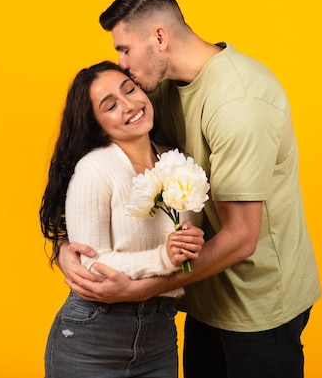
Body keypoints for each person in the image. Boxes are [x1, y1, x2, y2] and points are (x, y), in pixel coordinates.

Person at [60, 0, 322, 378]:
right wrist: (71, 250)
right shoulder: (156, 93)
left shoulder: (239, 105)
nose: (122, 64)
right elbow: (114, 165)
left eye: (125, 50)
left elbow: (240, 238)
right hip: (204, 298)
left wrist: (138, 290)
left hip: (259, 306)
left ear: (159, 37)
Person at [39, 60, 205, 378]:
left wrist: (192, 243)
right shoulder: (96, 168)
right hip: (92, 337)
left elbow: (189, 253)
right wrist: (163, 257)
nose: (129, 105)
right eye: (111, 105)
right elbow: (91, 265)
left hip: (160, 335)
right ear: (98, 126)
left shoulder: (177, 162)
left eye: (130, 89)